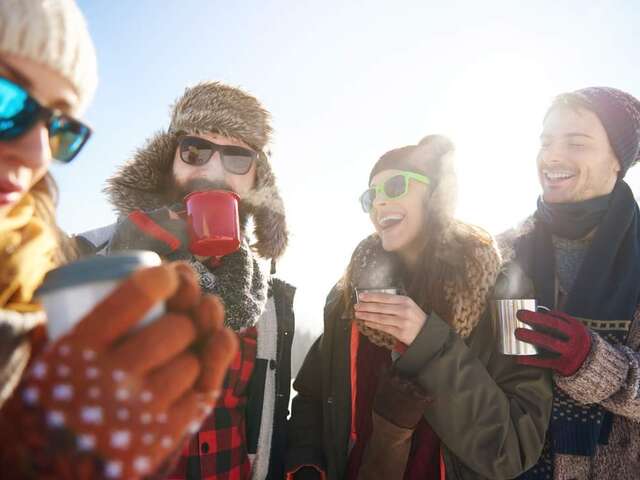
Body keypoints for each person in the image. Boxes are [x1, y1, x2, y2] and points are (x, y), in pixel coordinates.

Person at [0, 1, 237, 478]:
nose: (36, 151)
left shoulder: (36, 285)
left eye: (57, 126)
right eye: (6, 98)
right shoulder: (82, 267)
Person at [286, 135, 552, 480]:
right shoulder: (346, 297)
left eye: (395, 186)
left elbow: (516, 447)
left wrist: (428, 343)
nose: (380, 202)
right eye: (371, 196)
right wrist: (307, 468)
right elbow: (312, 396)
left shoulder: (509, 293)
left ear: (436, 195)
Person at [78, 82, 295, 479]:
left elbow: (262, 429)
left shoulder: (266, 301)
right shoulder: (86, 257)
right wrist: (116, 273)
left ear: (256, 182)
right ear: (168, 160)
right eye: (195, 151)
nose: (211, 171)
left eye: (237, 158)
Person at [497, 87, 640, 480]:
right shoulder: (500, 252)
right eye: (546, 141)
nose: (552, 156)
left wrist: (591, 362)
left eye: (576, 142)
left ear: (617, 161)